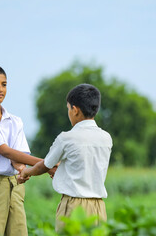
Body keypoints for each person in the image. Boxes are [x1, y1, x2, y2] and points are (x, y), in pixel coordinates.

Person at [0, 64, 56, 236]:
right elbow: (6, 151)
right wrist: (47, 164)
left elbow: (17, 159)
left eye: (4, 84)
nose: (0, 89)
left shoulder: (15, 121)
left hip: (15, 184)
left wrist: (23, 170)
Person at [19, 83, 113, 232]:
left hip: (74, 205)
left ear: (75, 110)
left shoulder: (67, 138)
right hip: (99, 207)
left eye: (68, 108)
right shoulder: (106, 138)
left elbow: (45, 166)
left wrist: (26, 172)